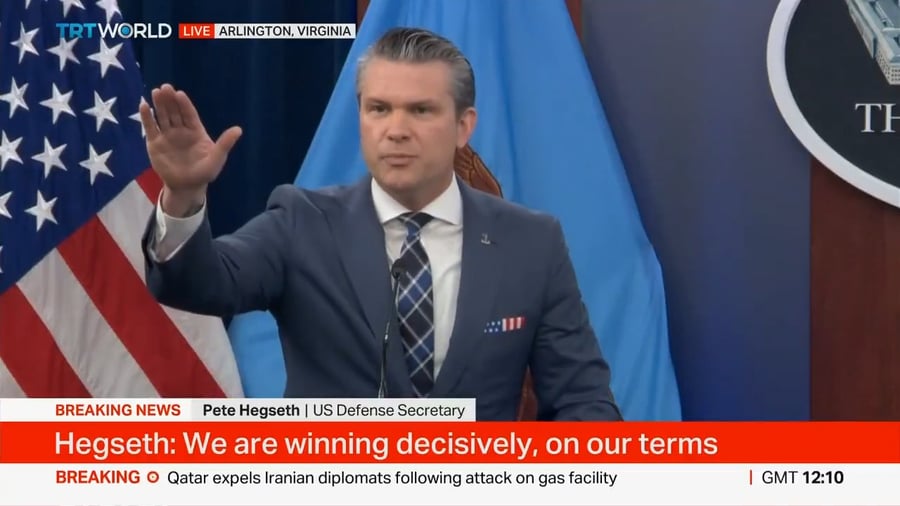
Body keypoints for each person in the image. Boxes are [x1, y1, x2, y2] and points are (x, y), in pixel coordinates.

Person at [139, 27, 622, 421]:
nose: (396, 130)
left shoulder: (530, 242)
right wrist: (184, 195)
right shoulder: (302, 222)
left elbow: (583, 401)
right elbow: (198, 284)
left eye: (421, 110)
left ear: (464, 126)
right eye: (379, 109)